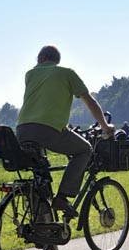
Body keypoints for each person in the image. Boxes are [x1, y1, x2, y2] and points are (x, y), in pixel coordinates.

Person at [17, 45, 114, 217]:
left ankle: (46, 232)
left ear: (43, 57)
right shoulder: (67, 73)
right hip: (48, 130)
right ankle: (62, 197)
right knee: (84, 150)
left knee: (41, 178)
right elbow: (91, 103)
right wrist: (105, 127)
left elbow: (43, 104)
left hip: (22, 130)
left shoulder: (30, 74)